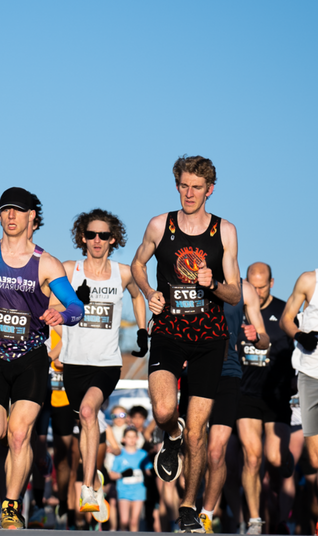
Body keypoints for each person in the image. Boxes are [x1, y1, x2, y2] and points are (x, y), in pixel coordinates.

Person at [131, 155, 242, 532]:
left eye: (197, 186)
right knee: (164, 410)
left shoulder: (224, 231)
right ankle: (170, 434)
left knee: (200, 431)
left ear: (210, 189)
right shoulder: (160, 225)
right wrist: (149, 292)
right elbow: (138, 263)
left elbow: (235, 293)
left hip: (210, 338)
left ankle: (189, 508)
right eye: (183, 185)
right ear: (176, 185)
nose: (189, 193)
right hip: (169, 331)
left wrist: (213, 283)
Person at [0, 186, 84, 529]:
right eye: (5, 210)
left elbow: (77, 306)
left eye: (18, 211)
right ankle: (8, 469)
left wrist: (61, 316)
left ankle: (11, 504)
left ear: (33, 216)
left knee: (19, 434)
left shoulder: (45, 263)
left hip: (30, 359)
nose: (10, 216)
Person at [53, 208, 147, 521]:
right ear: (82, 237)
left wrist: (143, 330)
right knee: (85, 421)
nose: (97, 240)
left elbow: (137, 295)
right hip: (73, 363)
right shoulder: (69, 269)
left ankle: (89, 485)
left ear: (112, 239)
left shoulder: (122, 273)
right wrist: (68, 303)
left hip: (106, 364)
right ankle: (94, 481)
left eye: (103, 235)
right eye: (91, 234)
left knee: (90, 412)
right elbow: (49, 303)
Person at [197, 281, 270, 534]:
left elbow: (264, 339)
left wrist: (257, 337)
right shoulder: (193, 276)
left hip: (230, 374)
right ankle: (188, 508)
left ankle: (208, 515)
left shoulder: (245, 289)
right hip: (196, 372)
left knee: (218, 453)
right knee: (193, 447)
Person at [238, 263, 298, 532]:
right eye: (253, 286)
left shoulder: (286, 313)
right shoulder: (238, 310)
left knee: (275, 459)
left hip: (276, 396)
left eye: (262, 286)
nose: (258, 292)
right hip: (245, 394)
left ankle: (282, 513)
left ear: (271, 283)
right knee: (252, 457)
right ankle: (254, 520)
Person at [281, 268, 318, 516]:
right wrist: (300, 335)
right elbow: (286, 318)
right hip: (311, 374)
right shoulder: (309, 280)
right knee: (315, 460)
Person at [109, 427, 153, 532]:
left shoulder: (142, 454)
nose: (132, 439)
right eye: (129, 437)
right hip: (123, 491)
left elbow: (149, 471)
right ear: (124, 439)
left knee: (134, 522)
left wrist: (149, 471)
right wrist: (122, 474)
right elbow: (111, 474)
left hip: (139, 491)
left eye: (134, 437)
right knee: (124, 521)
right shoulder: (120, 455)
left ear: (137, 438)